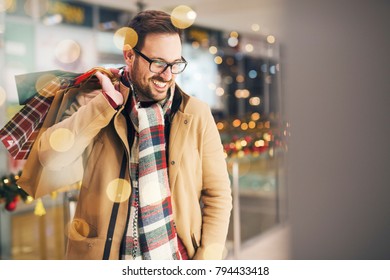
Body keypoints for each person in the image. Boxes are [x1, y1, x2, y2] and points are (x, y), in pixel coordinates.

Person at [18, 10, 232, 260]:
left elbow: (218, 194)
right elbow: (50, 158)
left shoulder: (195, 113)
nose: (168, 75)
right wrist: (104, 105)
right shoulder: (94, 102)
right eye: (159, 63)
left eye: (175, 64)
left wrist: (206, 260)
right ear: (129, 55)